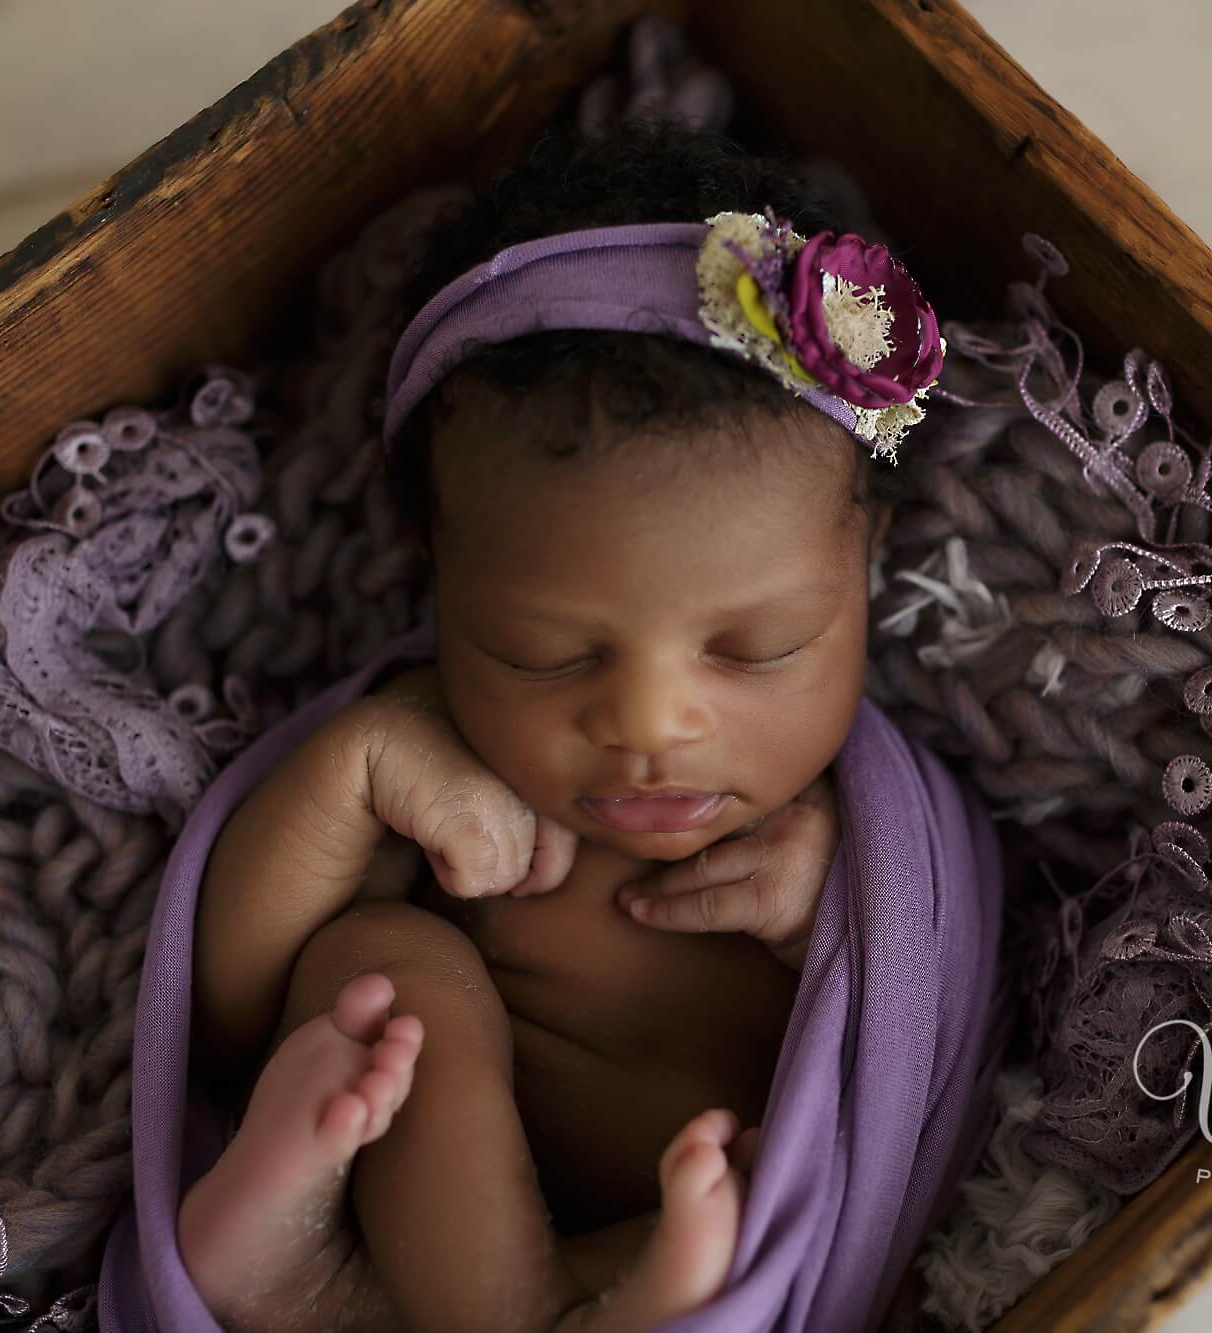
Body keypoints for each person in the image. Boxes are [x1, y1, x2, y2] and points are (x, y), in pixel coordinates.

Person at [171, 116, 944, 1332]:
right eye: (546, 653)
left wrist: (833, 907)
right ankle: (395, 1290)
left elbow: (933, 1020)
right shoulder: (437, 757)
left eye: (756, 648)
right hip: (454, 1241)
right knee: (374, 969)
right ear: (437, 578)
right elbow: (227, 1016)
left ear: (864, 569)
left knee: (732, 1208)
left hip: (712, 1245)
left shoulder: (860, 823)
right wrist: (350, 773)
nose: (648, 726)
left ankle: (355, 1301)